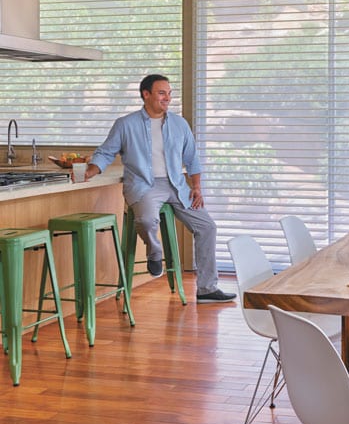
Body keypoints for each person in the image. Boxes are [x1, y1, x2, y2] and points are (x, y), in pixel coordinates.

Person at [85, 74, 236, 304]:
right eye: (162, 93)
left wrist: (196, 187)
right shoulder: (126, 124)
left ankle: (207, 288)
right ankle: (155, 251)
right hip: (144, 184)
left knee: (207, 227)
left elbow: (192, 158)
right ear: (146, 94)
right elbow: (106, 152)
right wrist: (91, 170)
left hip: (176, 185)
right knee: (146, 221)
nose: (168, 98)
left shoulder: (179, 124)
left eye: (169, 93)